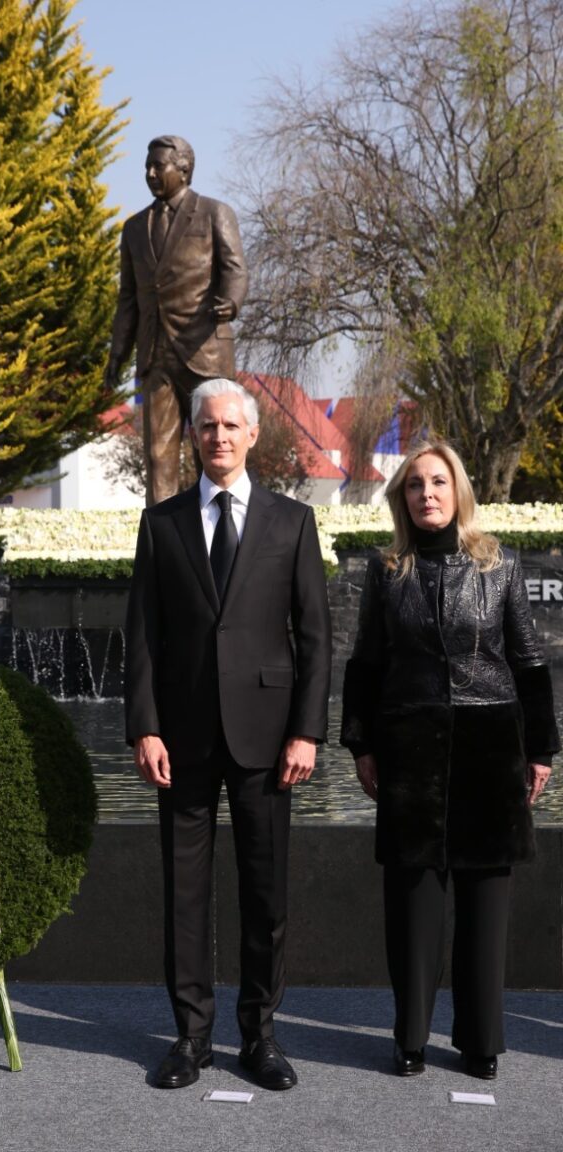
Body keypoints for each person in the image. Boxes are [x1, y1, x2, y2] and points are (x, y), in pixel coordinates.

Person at [125, 378, 331, 1090]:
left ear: (252, 435)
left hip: (270, 742)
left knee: (265, 894)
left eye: (230, 426)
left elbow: (316, 639)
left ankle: (260, 1037)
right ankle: (189, 1039)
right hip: (180, 741)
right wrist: (144, 728)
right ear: (194, 435)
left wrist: (307, 733)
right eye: (206, 426)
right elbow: (143, 636)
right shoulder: (162, 524)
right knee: (185, 895)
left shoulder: (292, 522)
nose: (218, 437)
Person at [340, 440, 559, 1081]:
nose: (427, 494)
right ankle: (410, 1037)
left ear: (458, 490)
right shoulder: (388, 574)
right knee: (413, 909)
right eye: (415, 485)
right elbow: (366, 665)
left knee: (486, 912)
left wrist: (541, 749)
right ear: (401, 498)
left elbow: (529, 660)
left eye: (438, 482)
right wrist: (362, 744)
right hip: (410, 753)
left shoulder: (499, 566)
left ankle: (480, 1041)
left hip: (493, 752)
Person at [105, 135, 248, 506]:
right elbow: (128, 300)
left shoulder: (215, 213)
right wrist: (117, 355)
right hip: (156, 354)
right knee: (157, 455)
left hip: (206, 351)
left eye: (158, 166)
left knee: (214, 453)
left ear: (183, 169)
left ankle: (218, 531)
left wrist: (231, 302)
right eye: (147, 167)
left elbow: (236, 271)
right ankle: (162, 541)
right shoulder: (134, 229)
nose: (150, 173)